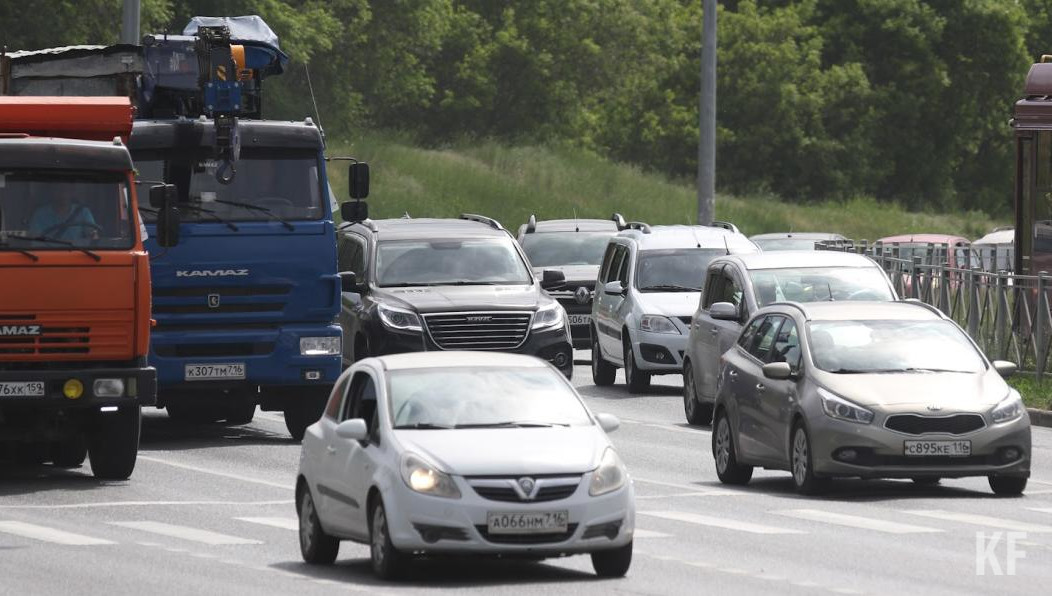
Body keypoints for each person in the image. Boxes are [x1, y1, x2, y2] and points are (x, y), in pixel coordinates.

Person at [28, 185, 98, 242]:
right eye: (58, 190)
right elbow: (35, 239)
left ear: (72, 193)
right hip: (48, 254)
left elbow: (92, 237)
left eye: (66, 191)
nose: (63, 194)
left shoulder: (83, 212)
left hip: (78, 254)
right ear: (52, 192)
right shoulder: (40, 214)